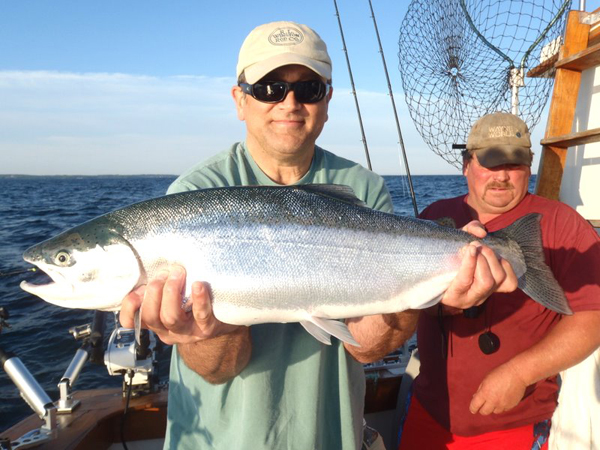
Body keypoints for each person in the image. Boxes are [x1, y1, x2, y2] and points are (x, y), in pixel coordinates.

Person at [120, 23, 515, 450]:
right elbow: (218, 369)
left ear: (327, 100)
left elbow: (366, 349)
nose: (289, 103)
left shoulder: (362, 188)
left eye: (308, 88)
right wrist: (201, 330)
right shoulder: (192, 195)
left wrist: (425, 287)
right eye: (269, 87)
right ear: (240, 99)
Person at [398, 112, 600, 450]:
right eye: (490, 163)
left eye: (515, 164)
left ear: (529, 166)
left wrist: (519, 374)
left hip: (516, 425)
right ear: (467, 165)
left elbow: (592, 317)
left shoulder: (563, 225)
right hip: (429, 414)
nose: (502, 176)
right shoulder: (434, 217)